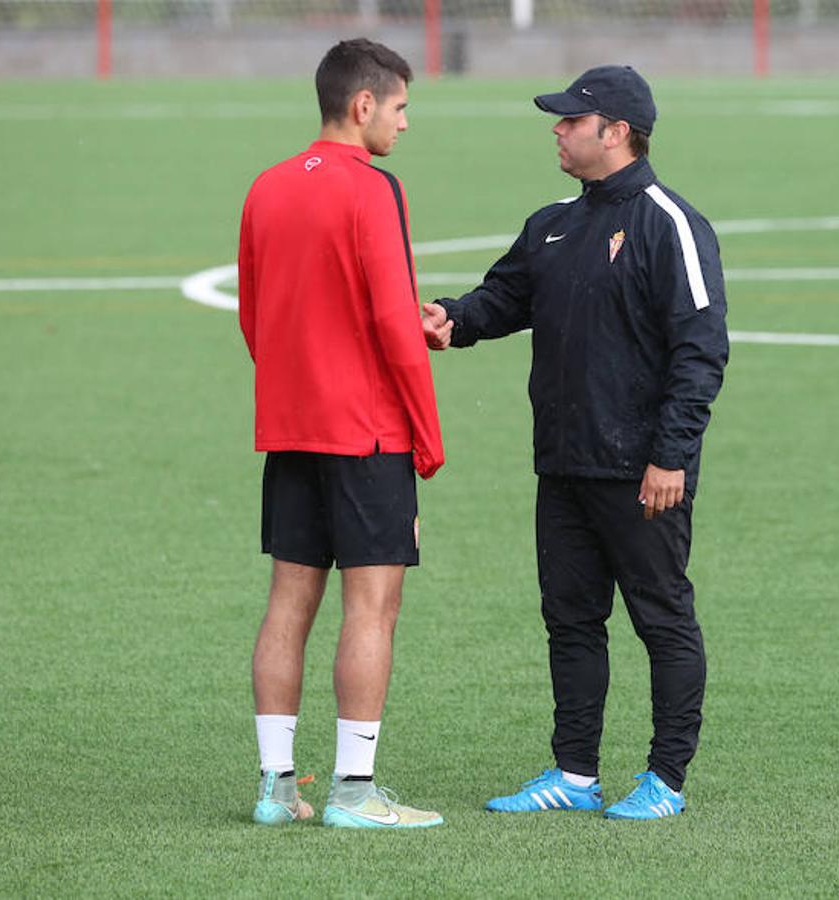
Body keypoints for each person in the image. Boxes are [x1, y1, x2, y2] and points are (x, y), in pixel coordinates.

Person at [422, 65, 728, 821]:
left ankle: (665, 780)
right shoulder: (553, 221)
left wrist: (670, 456)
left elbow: (701, 350)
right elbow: (503, 299)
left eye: (569, 120)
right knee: (569, 619)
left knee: (661, 618)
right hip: (562, 463)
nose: (556, 130)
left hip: (641, 470)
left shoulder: (671, 224)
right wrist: (451, 321)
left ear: (615, 132)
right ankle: (574, 773)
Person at [238, 38, 445, 829]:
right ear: (363, 106)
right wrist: (425, 443)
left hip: (292, 430)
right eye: (399, 108)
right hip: (367, 435)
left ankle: (276, 789)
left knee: (287, 604)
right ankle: (354, 794)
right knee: (372, 608)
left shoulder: (266, 186)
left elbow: (256, 316)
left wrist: (295, 390)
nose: (403, 124)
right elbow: (397, 324)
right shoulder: (373, 189)